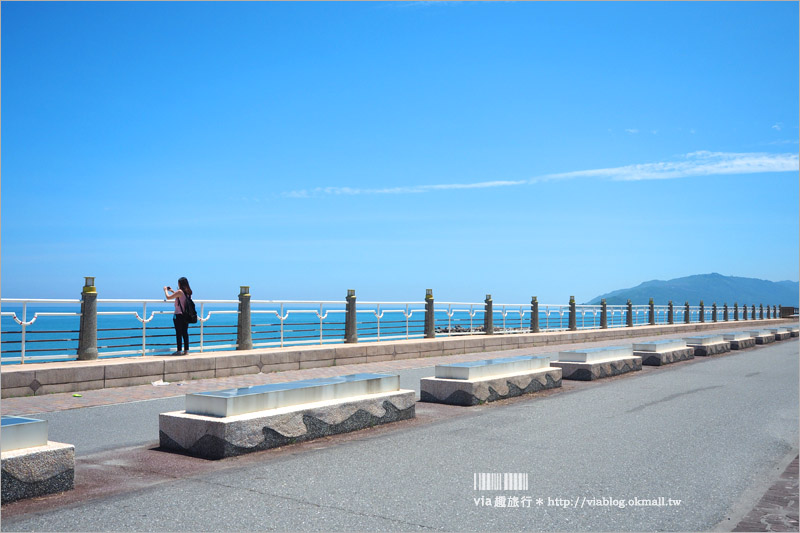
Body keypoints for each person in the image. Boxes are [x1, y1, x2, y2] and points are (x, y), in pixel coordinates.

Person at [163, 277, 192, 355]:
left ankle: (179, 350)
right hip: (186, 315)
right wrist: (172, 291)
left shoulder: (180, 292)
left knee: (179, 333)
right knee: (185, 332)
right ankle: (186, 350)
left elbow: (168, 297)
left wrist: (165, 290)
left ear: (180, 283)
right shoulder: (188, 292)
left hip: (178, 315)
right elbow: (180, 297)